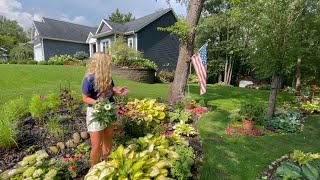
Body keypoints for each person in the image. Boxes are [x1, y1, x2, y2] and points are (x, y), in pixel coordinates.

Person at [82, 52, 121, 167]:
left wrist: (117, 92)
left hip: (109, 111)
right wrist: (97, 102)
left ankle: (107, 163)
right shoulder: (89, 79)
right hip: (96, 113)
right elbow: (85, 98)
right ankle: (94, 169)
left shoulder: (108, 78)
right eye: (108, 63)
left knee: (108, 138)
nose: (110, 65)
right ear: (101, 64)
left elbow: (110, 93)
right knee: (97, 144)